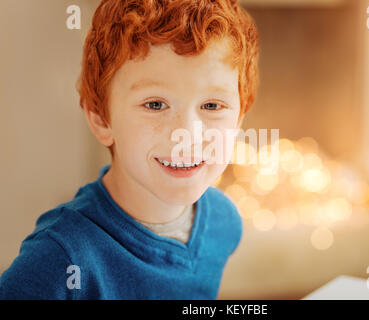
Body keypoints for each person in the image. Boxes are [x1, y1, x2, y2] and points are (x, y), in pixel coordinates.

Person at [0, 0, 259, 299]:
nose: (187, 135)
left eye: (212, 106)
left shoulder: (223, 222)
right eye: (155, 104)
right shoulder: (60, 257)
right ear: (101, 119)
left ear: (239, 120)